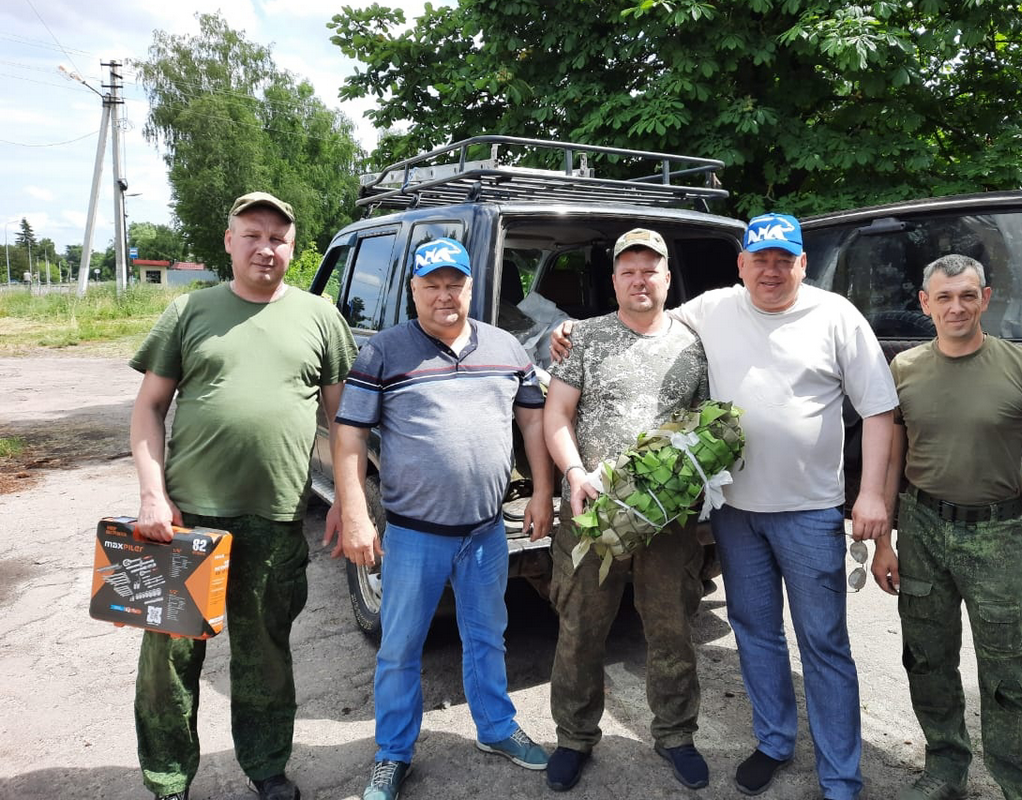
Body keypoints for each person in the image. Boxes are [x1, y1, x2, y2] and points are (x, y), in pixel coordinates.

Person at [552, 213, 897, 800]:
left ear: (802, 263)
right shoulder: (691, 315)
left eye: (783, 259)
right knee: (749, 634)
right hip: (704, 512)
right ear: (740, 266)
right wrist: (561, 331)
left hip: (798, 512)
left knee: (815, 643)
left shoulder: (826, 316)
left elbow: (880, 410)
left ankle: (831, 774)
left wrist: (870, 494)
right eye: (759, 259)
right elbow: (582, 381)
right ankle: (766, 743)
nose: (770, 270)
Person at [128, 191, 358, 800]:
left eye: (278, 237)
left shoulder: (320, 316)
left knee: (265, 655)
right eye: (251, 234)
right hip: (187, 522)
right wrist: (153, 494)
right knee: (169, 663)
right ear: (229, 242)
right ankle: (169, 779)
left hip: (277, 519)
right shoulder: (189, 311)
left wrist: (346, 498)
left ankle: (266, 767)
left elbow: (344, 424)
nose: (266, 247)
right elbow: (149, 407)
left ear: (292, 246)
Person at [331, 237, 555, 800]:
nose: (444, 295)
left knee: (488, 637)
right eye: (431, 285)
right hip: (413, 535)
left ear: (470, 288)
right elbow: (351, 434)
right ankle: (393, 753)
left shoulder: (506, 348)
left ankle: (496, 729)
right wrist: (356, 511)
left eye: (454, 284)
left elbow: (533, 424)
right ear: (413, 291)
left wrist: (541, 492)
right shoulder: (383, 352)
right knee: (401, 647)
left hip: (485, 534)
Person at [871, 254, 1022, 800]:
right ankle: (945, 769)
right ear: (925, 304)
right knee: (927, 657)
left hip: (996, 536)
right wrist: (884, 542)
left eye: (967, 295)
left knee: (1008, 673)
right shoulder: (905, 368)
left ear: (986, 299)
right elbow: (892, 462)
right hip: (921, 528)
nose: (956, 306)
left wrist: (997, 503)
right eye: (944, 297)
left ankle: (1021, 785)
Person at [541, 228, 711, 792]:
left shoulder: (693, 345)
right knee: (581, 626)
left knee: (671, 629)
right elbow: (557, 415)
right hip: (594, 513)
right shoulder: (583, 339)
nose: (640, 280)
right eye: (628, 271)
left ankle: (677, 734)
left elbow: (706, 426)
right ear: (614, 280)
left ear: (667, 278)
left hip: (668, 519)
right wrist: (573, 474)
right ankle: (573, 737)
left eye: (650, 270)